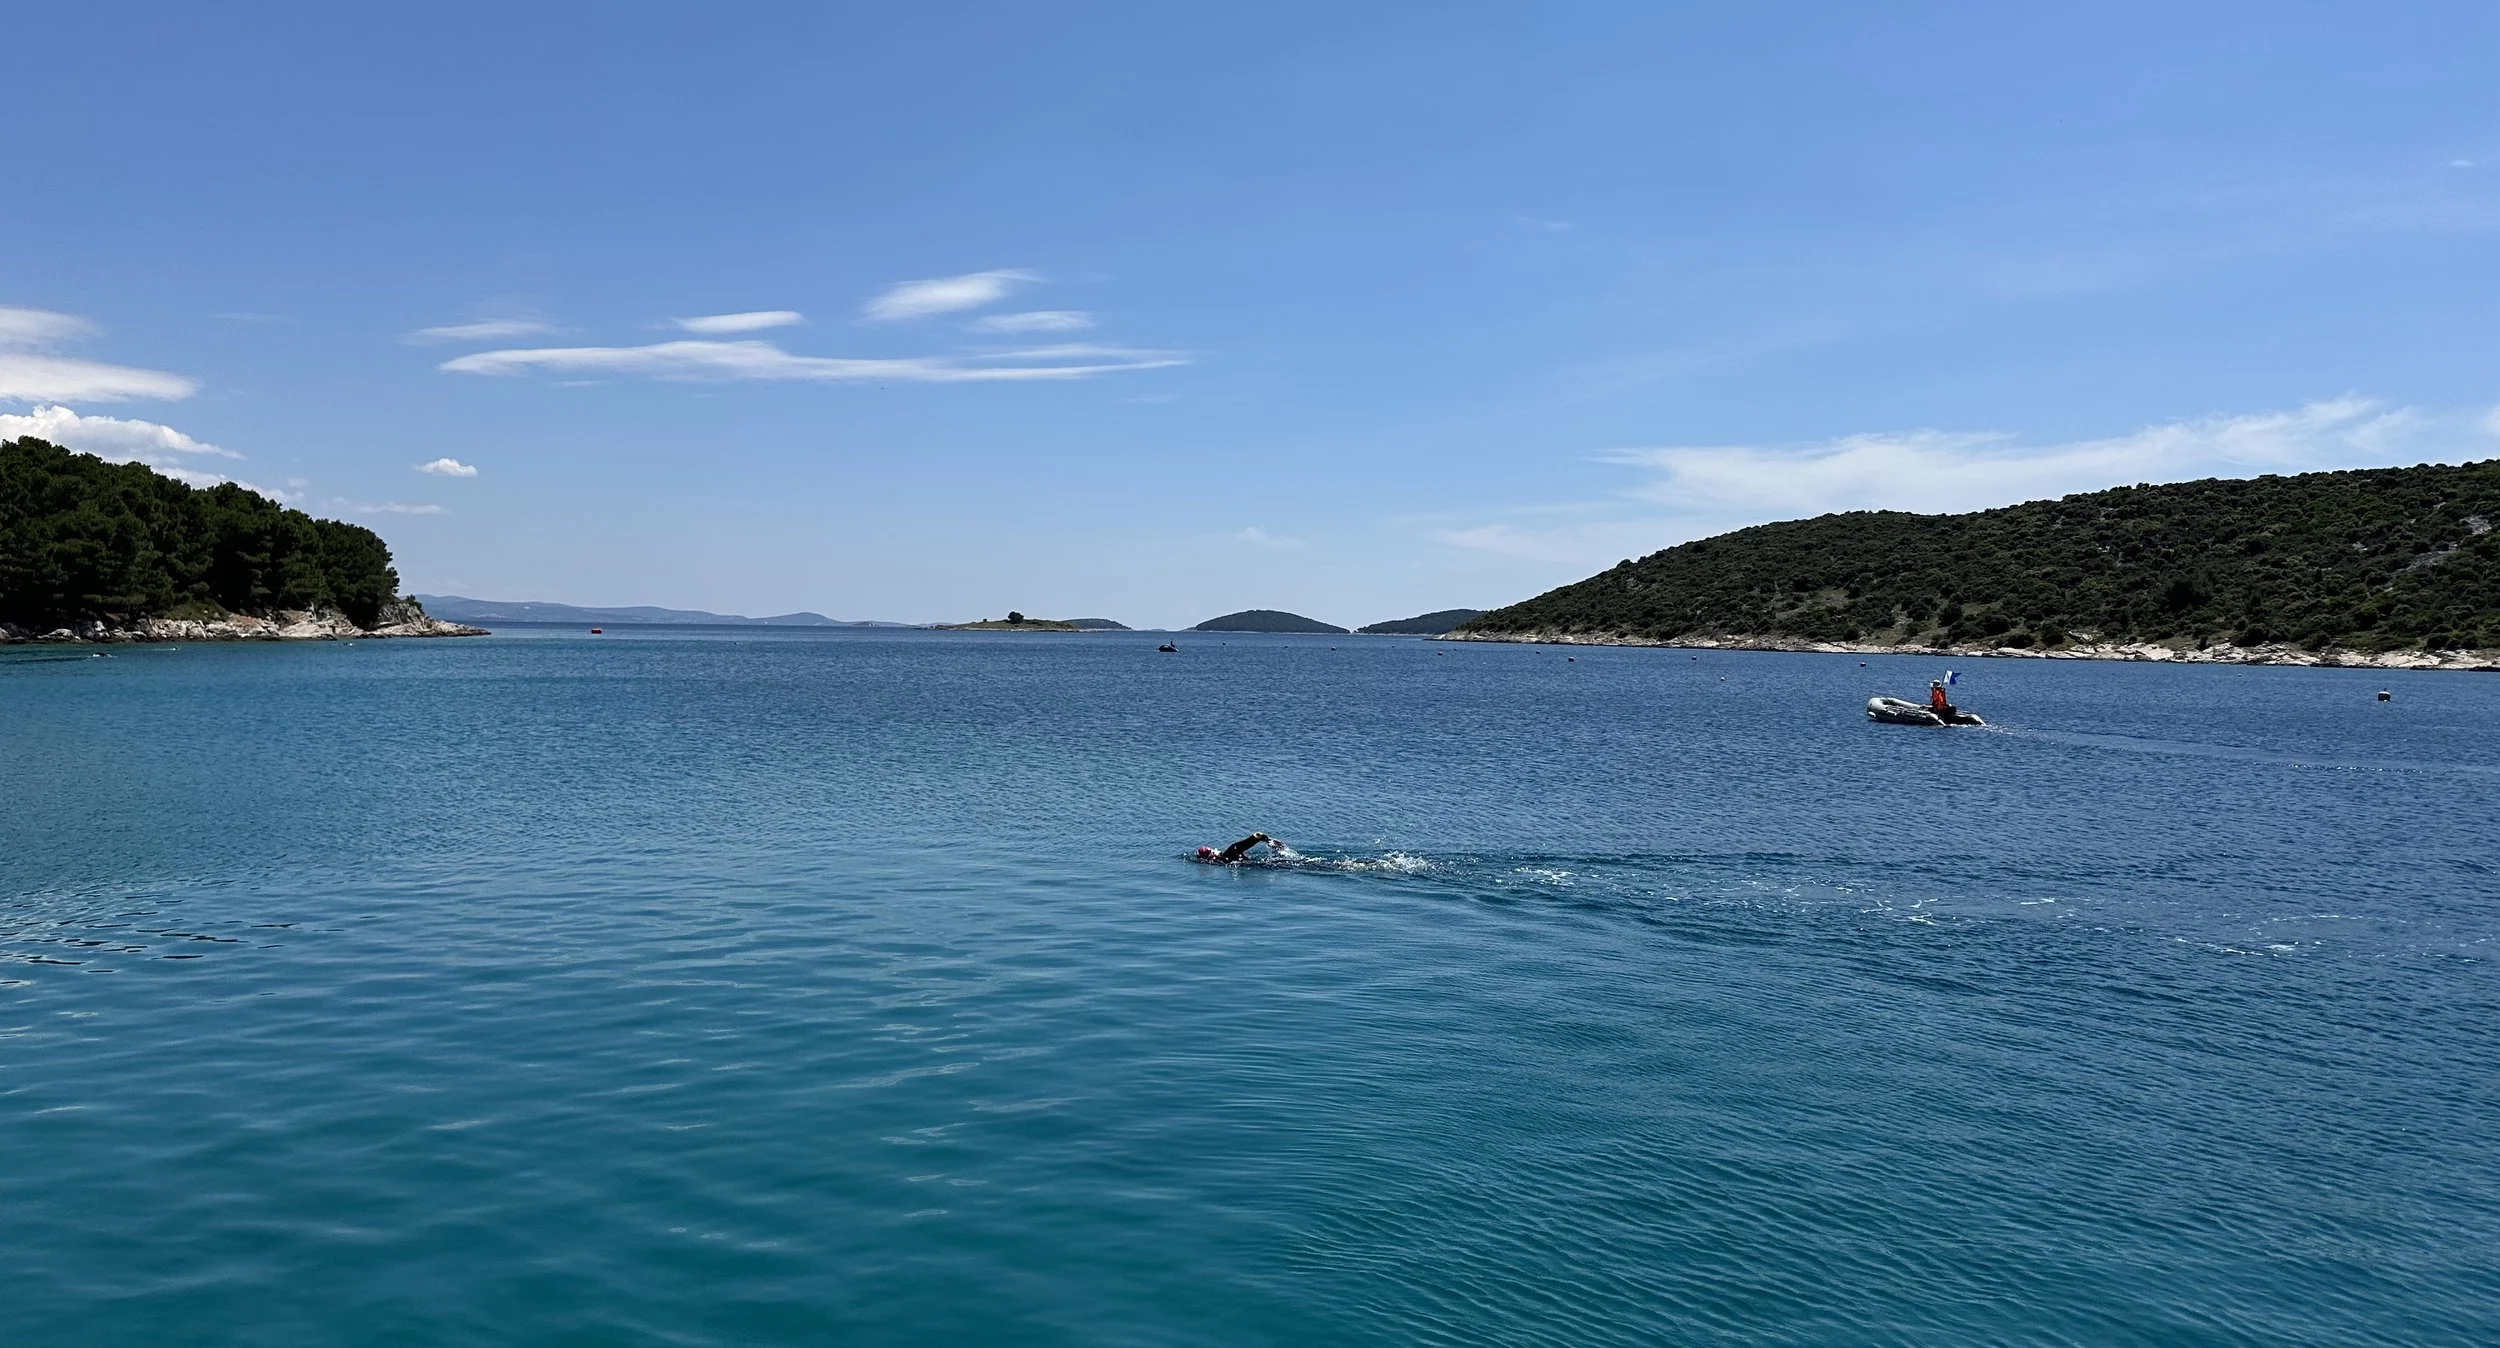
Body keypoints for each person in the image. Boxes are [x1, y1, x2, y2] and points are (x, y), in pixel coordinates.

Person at [1197, 832, 1278, 863]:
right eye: (1213, 850)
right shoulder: (1228, 853)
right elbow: (1241, 845)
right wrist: (1257, 837)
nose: (1216, 849)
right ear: (1212, 855)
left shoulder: (1224, 859)